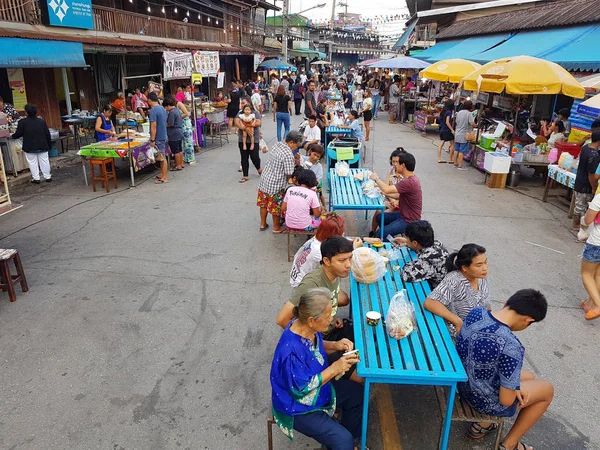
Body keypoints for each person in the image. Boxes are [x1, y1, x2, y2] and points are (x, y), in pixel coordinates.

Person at [457, 290, 553, 450]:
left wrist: (514, 387)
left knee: (528, 376)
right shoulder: (511, 346)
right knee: (547, 390)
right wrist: (513, 389)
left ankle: (482, 425)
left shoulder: (477, 312)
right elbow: (506, 401)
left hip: (462, 383)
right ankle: (509, 445)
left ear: (506, 303)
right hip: (482, 400)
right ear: (528, 320)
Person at [270, 288, 363, 449]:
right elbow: (301, 389)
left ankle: (344, 441)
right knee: (343, 440)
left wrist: (336, 344)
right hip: (296, 406)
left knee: (357, 394)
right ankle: (343, 442)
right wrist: (335, 368)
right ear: (312, 320)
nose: (331, 319)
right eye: (328, 315)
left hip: (319, 389)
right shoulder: (290, 352)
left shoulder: (306, 327)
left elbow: (317, 346)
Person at [277, 237, 360, 380]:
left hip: (331, 329)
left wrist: (331, 316)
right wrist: (311, 344)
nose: (348, 265)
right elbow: (282, 319)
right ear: (327, 261)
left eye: (350, 258)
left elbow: (334, 299)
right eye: (342, 260)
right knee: (360, 378)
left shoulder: (336, 273)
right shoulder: (312, 283)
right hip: (321, 339)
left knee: (363, 338)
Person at [424, 243, 489, 336]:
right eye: (479, 265)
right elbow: (430, 302)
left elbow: (486, 304)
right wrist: (457, 321)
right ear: (465, 268)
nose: (485, 268)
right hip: (461, 335)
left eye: (485, 262)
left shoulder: (480, 278)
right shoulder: (454, 280)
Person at [369, 151, 422, 239]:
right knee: (379, 218)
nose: (395, 165)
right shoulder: (411, 179)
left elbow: (386, 188)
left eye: (398, 163)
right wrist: (385, 193)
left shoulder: (409, 181)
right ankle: (387, 237)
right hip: (402, 214)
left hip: (409, 220)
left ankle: (384, 238)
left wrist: (376, 178)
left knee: (379, 233)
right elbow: (399, 195)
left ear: (403, 165)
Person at [257, 131, 301, 232]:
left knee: (263, 203)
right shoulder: (288, 154)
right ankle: (276, 228)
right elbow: (289, 172)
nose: (296, 148)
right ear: (291, 143)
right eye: (297, 145)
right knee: (276, 207)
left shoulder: (277, 144)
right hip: (276, 184)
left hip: (265, 179)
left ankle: (263, 224)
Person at [290, 213, 347, 288]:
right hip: (303, 285)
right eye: (341, 234)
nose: (344, 234)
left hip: (297, 276)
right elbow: (340, 269)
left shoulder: (318, 238)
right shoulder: (319, 251)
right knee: (341, 296)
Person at [393, 220, 449, 289]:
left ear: (415, 243)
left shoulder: (428, 261)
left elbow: (407, 276)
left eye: (406, 239)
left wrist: (408, 264)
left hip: (437, 291)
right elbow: (419, 248)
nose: (405, 240)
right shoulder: (435, 244)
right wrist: (406, 243)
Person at [11, 103, 52, 183]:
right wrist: (49, 145)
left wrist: (13, 136)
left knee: (32, 162)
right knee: (44, 161)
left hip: (29, 146)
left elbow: (18, 134)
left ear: (26, 112)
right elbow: (47, 134)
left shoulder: (22, 122)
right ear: (36, 112)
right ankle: (48, 176)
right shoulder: (41, 121)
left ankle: (36, 178)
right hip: (42, 145)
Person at [370, 148, 405, 235]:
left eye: (397, 162)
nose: (395, 164)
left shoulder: (405, 176)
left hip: (399, 203)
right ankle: (373, 232)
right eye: (393, 161)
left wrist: (394, 202)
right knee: (378, 211)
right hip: (389, 198)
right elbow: (386, 187)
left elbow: (401, 195)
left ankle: (381, 233)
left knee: (381, 215)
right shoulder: (391, 171)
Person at [571, 131, 600, 230]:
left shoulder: (586, 148)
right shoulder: (594, 155)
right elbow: (591, 174)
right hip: (586, 184)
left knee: (579, 205)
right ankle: (577, 225)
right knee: (582, 207)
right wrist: (594, 187)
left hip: (579, 181)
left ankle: (576, 224)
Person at [580, 189, 600, 320]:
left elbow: (587, 220)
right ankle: (590, 304)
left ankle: (598, 305)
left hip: (596, 242)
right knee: (598, 274)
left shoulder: (599, 199)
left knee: (586, 274)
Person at [234, 102, 263, 183]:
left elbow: (259, 122)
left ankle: (258, 168)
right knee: (244, 157)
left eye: (244, 103)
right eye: (242, 104)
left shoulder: (255, 113)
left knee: (254, 156)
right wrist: (245, 128)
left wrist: (249, 125)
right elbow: (236, 122)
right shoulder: (240, 113)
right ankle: (245, 175)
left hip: (254, 138)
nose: (243, 105)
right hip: (242, 139)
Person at [148, 92, 169, 184]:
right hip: (163, 135)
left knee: (162, 157)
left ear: (149, 100)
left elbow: (153, 126)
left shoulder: (153, 110)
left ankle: (164, 177)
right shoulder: (162, 108)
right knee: (162, 157)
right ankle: (162, 174)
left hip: (159, 137)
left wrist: (152, 139)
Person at [171, 95, 195, 165]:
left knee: (188, 142)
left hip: (185, 124)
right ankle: (184, 159)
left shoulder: (179, 104)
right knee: (182, 143)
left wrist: (177, 117)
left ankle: (191, 158)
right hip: (180, 124)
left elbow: (186, 113)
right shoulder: (173, 106)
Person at [453, 100, 476, 170]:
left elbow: (456, 121)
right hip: (464, 134)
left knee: (456, 149)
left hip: (457, 133)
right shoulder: (469, 114)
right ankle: (460, 166)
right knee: (462, 151)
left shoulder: (459, 112)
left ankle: (455, 163)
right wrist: (475, 125)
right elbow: (472, 123)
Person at [301, 143, 326, 208]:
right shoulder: (303, 159)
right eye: (314, 155)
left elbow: (318, 179)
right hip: (301, 187)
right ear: (310, 152)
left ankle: (324, 207)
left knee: (319, 195)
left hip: (313, 188)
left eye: (318, 157)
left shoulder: (319, 167)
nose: (315, 158)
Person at [164, 97, 184, 171]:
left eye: (166, 107)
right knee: (179, 149)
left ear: (168, 105)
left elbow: (170, 123)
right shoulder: (177, 110)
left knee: (175, 150)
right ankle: (181, 163)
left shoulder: (172, 112)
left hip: (174, 133)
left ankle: (178, 165)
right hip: (179, 131)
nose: (166, 109)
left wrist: (163, 124)